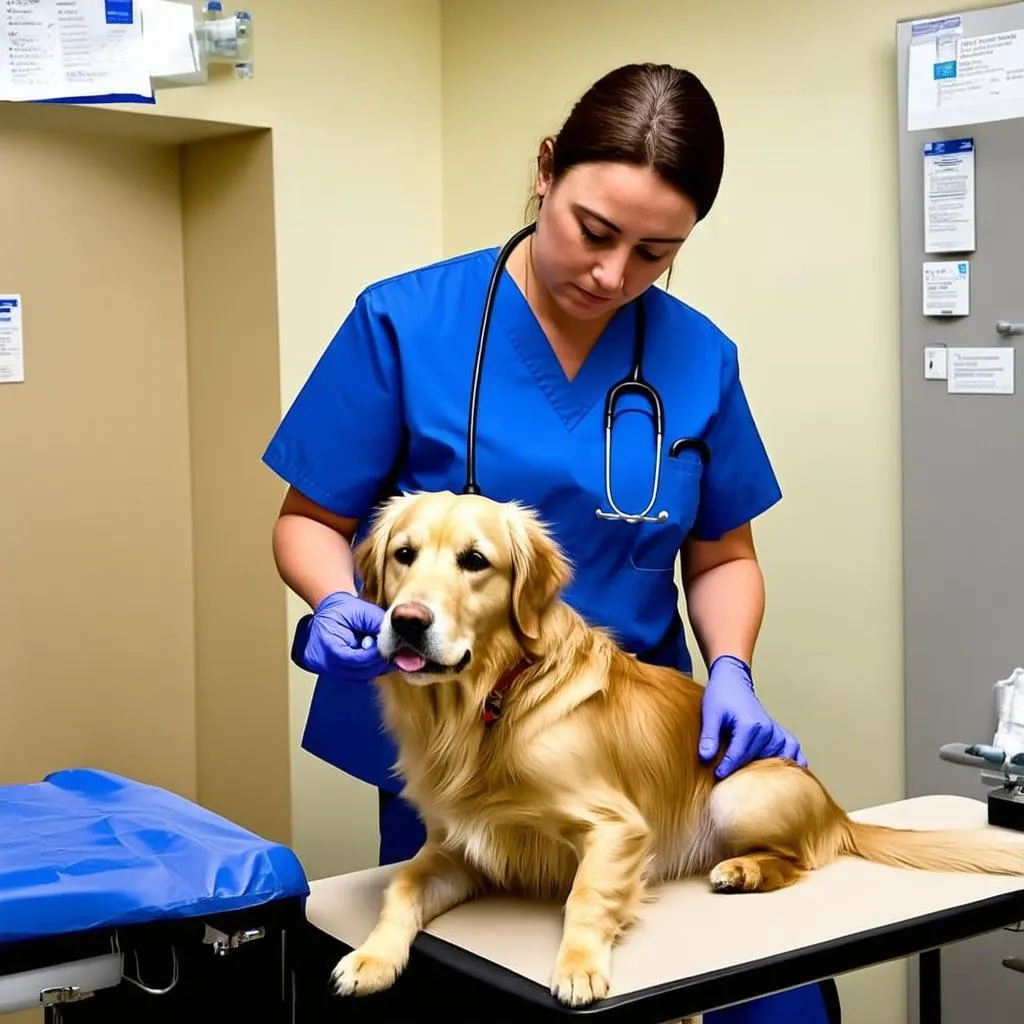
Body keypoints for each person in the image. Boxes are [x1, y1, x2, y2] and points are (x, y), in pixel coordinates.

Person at [263, 62, 839, 1024]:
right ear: (545, 173)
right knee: (475, 992)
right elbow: (308, 521)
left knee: (730, 991)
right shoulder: (408, 322)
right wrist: (334, 601)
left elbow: (724, 553)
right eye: (594, 231)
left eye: (657, 252)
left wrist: (731, 667)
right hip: (446, 717)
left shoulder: (698, 355)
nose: (613, 275)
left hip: (617, 730)